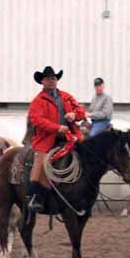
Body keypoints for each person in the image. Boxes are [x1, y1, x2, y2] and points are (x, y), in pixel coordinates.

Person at [27, 66, 86, 212]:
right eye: (48, 79)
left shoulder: (66, 96)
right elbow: (37, 120)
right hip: (47, 138)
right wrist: (56, 127)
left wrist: (74, 115)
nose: (51, 81)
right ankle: (36, 196)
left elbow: (80, 110)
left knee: (88, 156)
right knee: (40, 164)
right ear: (42, 81)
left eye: (53, 78)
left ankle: (86, 190)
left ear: (57, 80)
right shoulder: (38, 101)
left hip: (69, 136)